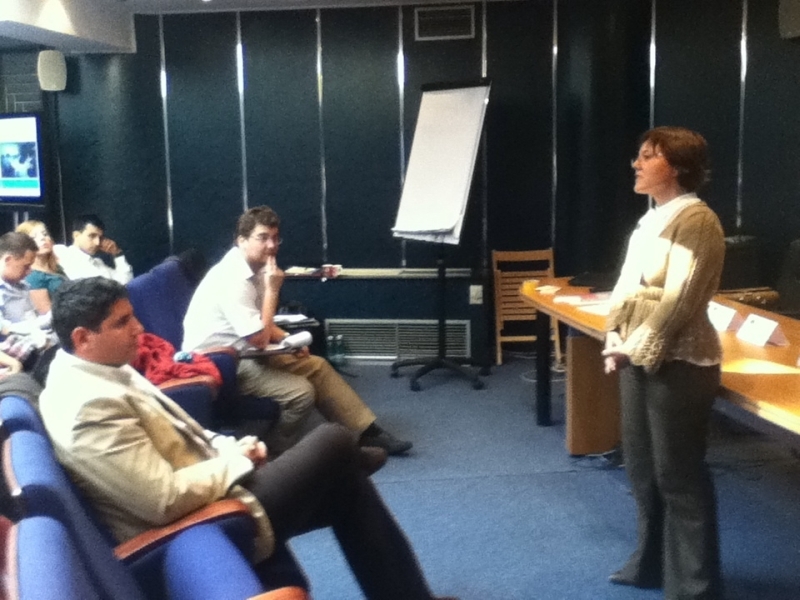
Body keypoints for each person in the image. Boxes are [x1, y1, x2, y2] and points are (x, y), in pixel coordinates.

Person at [39, 277, 457, 600]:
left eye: (133, 316)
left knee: (346, 483)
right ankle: (349, 458)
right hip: (194, 523)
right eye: (122, 322)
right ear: (82, 338)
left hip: (210, 491)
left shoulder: (104, 369)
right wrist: (235, 463)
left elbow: (190, 432)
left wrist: (231, 446)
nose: (139, 328)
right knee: (332, 440)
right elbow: (161, 500)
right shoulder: (86, 406)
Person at [602, 127, 724, 599]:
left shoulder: (698, 220)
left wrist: (633, 347)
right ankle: (649, 564)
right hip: (636, 353)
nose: (636, 163)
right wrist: (614, 332)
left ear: (677, 167)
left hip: (682, 361)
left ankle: (695, 586)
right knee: (642, 468)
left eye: (648, 156)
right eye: (639, 155)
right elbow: (625, 286)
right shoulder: (650, 219)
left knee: (678, 473)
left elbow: (680, 300)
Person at [182, 206, 412, 455]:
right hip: (219, 364)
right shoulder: (232, 279)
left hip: (245, 350)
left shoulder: (254, 267)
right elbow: (259, 337)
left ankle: (367, 433)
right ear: (241, 240)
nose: (271, 245)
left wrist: (287, 339)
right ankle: (275, 453)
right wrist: (272, 290)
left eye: (275, 238)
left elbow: (261, 325)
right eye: (262, 238)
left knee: (318, 367)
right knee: (301, 393)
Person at [0, 232, 56, 369]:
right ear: (8, 260)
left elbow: (32, 320)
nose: (29, 271)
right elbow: (4, 329)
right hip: (12, 351)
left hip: (33, 340)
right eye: (26, 266)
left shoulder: (23, 286)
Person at [53, 214, 133, 284]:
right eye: (92, 236)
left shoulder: (98, 264)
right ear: (76, 235)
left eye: (100, 238)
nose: (97, 242)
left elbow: (126, 282)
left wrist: (117, 253)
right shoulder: (63, 253)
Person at [16, 220, 67, 314]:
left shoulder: (56, 267)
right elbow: (46, 313)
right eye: (34, 237)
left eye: (45, 234)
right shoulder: (33, 276)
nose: (43, 238)